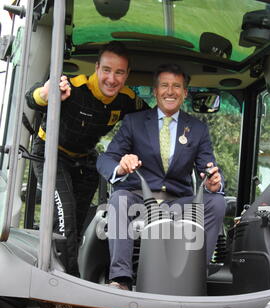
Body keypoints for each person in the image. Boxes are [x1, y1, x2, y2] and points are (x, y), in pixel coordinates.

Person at [97, 63, 226, 290]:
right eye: (164, 85)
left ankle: (196, 276)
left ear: (185, 93)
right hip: (140, 199)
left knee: (216, 202)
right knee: (119, 199)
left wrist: (214, 182)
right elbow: (105, 159)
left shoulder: (197, 128)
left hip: (179, 201)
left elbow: (208, 168)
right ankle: (121, 279)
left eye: (177, 86)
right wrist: (121, 166)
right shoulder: (134, 122)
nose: (170, 91)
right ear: (155, 91)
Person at [25, 41, 149, 276]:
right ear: (96, 67)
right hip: (51, 153)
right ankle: (67, 283)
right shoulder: (74, 86)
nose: (112, 79)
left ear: (127, 75)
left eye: (119, 72)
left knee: (79, 221)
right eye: (106, 70)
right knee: (65, 219)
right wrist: (44, 93)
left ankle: (71, 274)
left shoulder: (128, 99)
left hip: (85, 160)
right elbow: (32, 97)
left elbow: (152, 119)